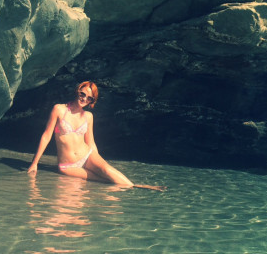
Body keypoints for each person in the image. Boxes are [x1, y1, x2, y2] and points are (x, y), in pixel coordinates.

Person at [27, 81, 165, 191]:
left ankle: (137, 187)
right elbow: (46, 136)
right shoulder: (59, 109)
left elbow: (91, 142)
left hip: (87, 155)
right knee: (100, 180)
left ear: (92, 101)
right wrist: (34, 163)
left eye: (89, 98)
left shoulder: (88, 116)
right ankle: (136, 187)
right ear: (77, 91)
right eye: (82, 94)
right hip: (68, 165)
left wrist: (99, 161)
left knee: (107, 171)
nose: (84, 99)